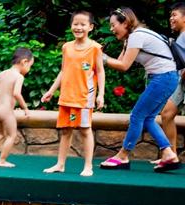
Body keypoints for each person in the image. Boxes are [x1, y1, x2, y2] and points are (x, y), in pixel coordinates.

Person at [101, 7, 181, 172]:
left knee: (137, 115)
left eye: (113, 25)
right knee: (148, 118)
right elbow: (119, 61)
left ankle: (123, 155)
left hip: (163, 78)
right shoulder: (134, 36)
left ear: (125, 23)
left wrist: (100, 58)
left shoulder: (137, 36)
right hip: (166, 77)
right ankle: (168, 153)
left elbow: (123, 66)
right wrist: (106, 56)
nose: (111, 29)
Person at [41, 11, 105, 177]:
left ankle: (88, 166)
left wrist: (101, 94)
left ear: (90, 27)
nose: (78, 27)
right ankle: (60, 164)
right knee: (65, 130)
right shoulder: (66, 47)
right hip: (66, 97)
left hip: (84, 97)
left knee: (85, 129)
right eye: (75, 24)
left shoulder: (95, 48)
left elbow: (100, 71)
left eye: (83, 24)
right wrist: (51, 91)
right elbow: (63, 71)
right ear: (71, 26)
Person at [0, 48, 33, 168]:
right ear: (24, 62)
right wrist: (25, 108)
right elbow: (16, 94)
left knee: (0, 132)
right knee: (11, 135)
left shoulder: (3, 73)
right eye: (30, 66)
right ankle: (2, 160)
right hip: (6, 111)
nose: (29, 69)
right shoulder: (19, 77)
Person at [156, 2, 185, 160]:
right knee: (167, 114)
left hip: (181, 79)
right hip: (181, 81)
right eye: (170, 15)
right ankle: (170, 155)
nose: (171, 18)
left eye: (174, 15)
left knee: (166, 114)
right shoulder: (180, 37)